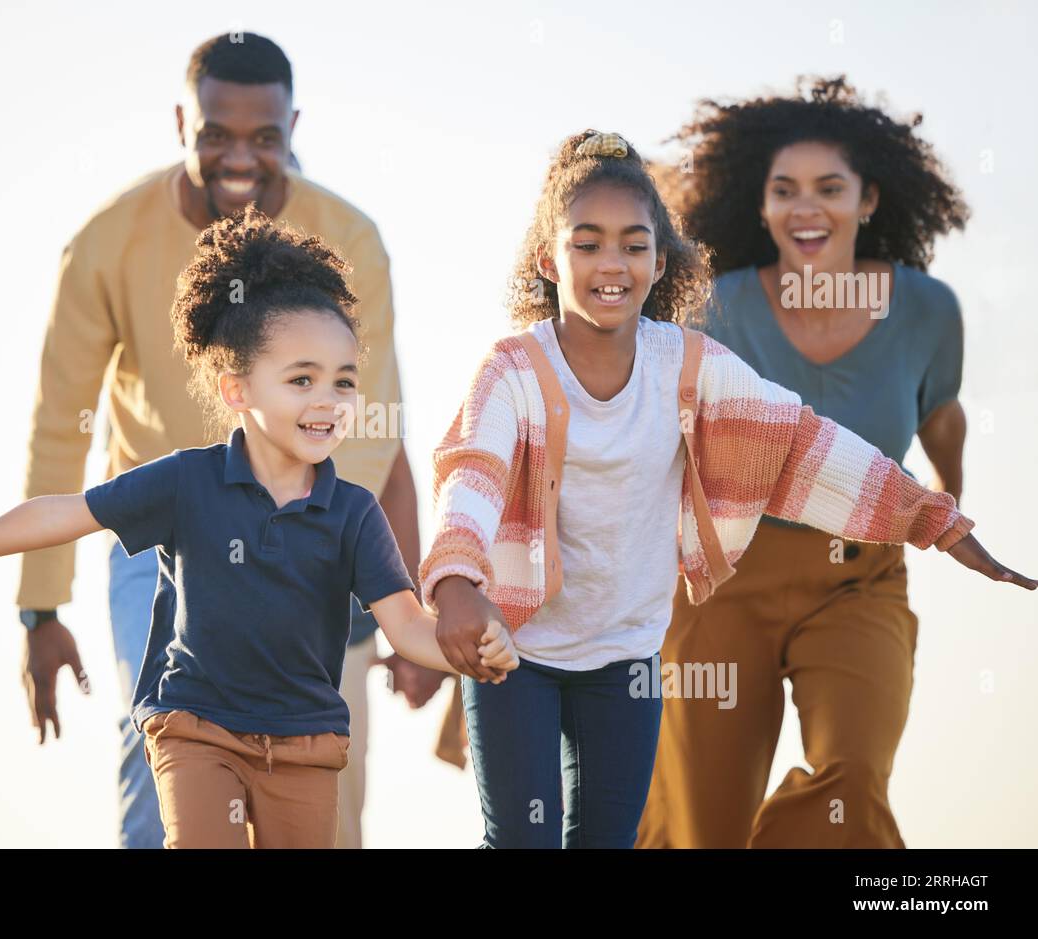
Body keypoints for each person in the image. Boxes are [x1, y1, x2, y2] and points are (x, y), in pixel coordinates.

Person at [418, 129, 1034, 849]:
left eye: (634, 244)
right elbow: (473, 471)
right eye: (586, 243)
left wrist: (933, 518)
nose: (611, 263)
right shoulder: (513, 370)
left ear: (661, 259)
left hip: (625, 658)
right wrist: (456, 578)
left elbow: (802, 448)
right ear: (546, 259)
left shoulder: (689, 367)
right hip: (516, 648)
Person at [0, 208, 518, 849]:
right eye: (302, 379)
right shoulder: (184, 483)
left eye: (344, 382)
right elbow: (63, 512)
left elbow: (407, 625)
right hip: (195, 729)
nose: (328, 400)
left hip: (307, 745)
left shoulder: (353, 513)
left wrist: (473, 653)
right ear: (237, 388)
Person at [13, 32, 439, 848]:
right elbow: (57, 425)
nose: (240, 156)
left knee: (318, 799)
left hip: (310, 542)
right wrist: (40, 609)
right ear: (182, 121)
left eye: (264, 137)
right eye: (216, 133)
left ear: (293, 127)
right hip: (159, 535)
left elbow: (372, 425)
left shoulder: (350, 238)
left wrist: (392, 603)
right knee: (159, 760)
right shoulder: (107, 242)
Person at [637, 76, 983, 847]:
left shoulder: (926, 310)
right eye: (784, 189)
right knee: (702, 829)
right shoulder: (712, 307)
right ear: (758, 207)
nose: (806, 207)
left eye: (830, 188)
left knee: (853, 778)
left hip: (860, 576)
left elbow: (940, 414)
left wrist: (946, 500)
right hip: (721, 581)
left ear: (868, 201)